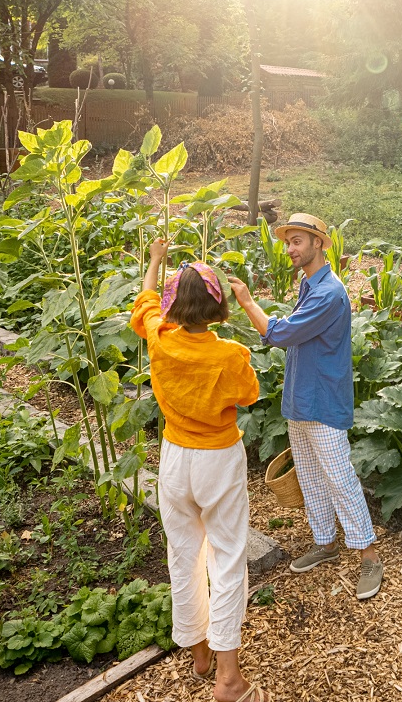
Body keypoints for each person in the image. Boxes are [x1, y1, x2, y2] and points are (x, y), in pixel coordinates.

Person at [130, 238, 272, 702]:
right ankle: (229, 680)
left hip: (173, 457)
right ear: (218, 307)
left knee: (183, 552)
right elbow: (248, 396)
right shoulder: (231, 355)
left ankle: (198, 654)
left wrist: (154, 260)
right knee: (228, 557)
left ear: (174, 307)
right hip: (217, 458)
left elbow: (145, 300)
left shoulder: (159, 336)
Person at [228, 213, 383, 601]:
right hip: (301, 396)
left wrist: (246, 300)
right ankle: (326, 542)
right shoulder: (309, 284)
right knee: (311, 477)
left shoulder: (330, 292)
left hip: (324, 400)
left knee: (340, 479)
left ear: (318, 243)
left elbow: (279, 333)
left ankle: (369, 556)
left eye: (298, 241)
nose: (291, 249)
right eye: (288, 242)